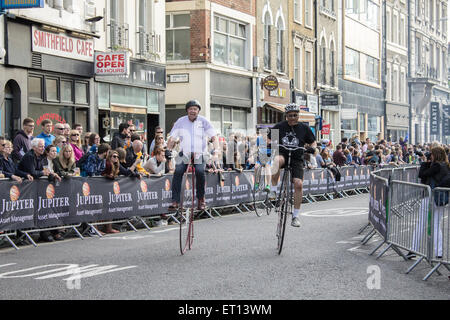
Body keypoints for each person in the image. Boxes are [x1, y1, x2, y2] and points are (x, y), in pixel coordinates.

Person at [267, 103, 316, 227]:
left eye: (295, 115)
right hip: (282, 153)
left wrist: (312, 148)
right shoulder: (279, 126)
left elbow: (313, 142)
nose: (293, 118)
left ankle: (296, 216)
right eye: (290, 116)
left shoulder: (304, 128)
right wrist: (270, 144)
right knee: (277, 161)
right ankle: (273, 190)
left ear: (298, 115)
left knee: (298, 184)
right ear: (286, 116)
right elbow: (269, 139)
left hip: (297, 158)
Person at [166, 100, 218, 212]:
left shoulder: (204, 121)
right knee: (178, 171)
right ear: (187, 110)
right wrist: (168, 149)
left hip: (200, 153)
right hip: (185, 153)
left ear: (198, 111)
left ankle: (201, 200)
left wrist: (216, 149)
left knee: (199, 172)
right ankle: (175, 201)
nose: (193, 111)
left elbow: (214, 137)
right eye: (190, 109)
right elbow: (172, 138)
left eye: (195, 109)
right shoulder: (181, 121)